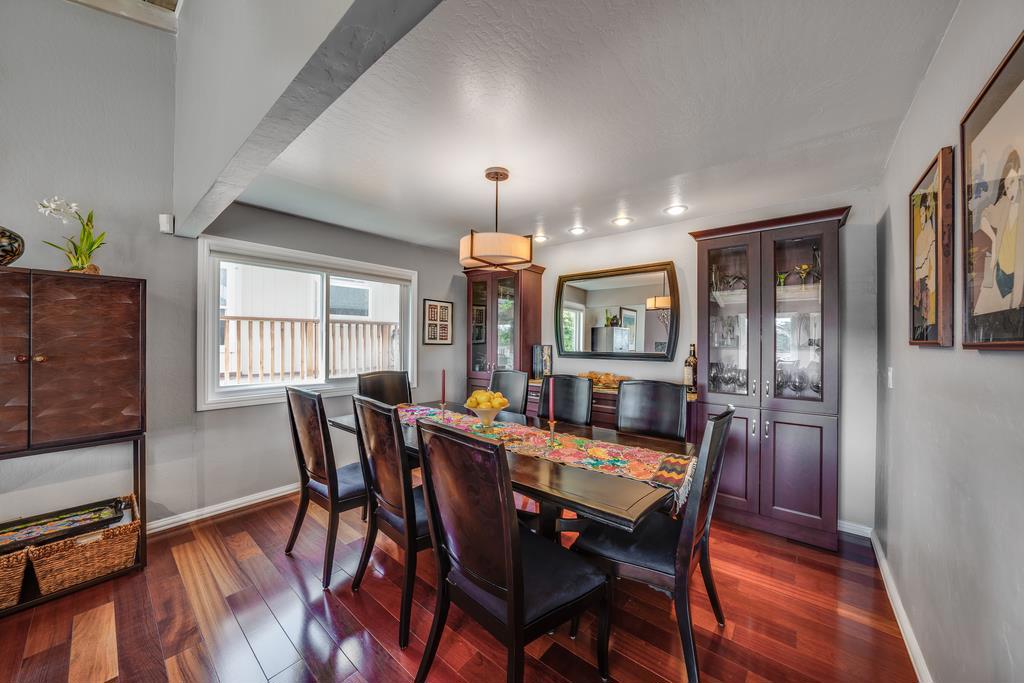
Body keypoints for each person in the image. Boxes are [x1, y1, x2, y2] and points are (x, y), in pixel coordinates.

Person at [978, 150, 1023, 311]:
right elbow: (984, 217)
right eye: (1007, 185)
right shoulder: (1004, 203)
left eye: (1013, 182)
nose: (1010, 190)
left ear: (1020, 175)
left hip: (1016, 277)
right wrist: (994, 239)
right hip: (998, 273)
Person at [913, 191, 937, 335]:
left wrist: (929, 286)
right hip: (918, 285)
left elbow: (933, 263)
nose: (921, 218)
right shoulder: (919, 237)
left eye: (923, 214)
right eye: (920, 214)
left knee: (925, 321)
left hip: (925, 284)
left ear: (928, 213)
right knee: (920, 324)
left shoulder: (931, 236)